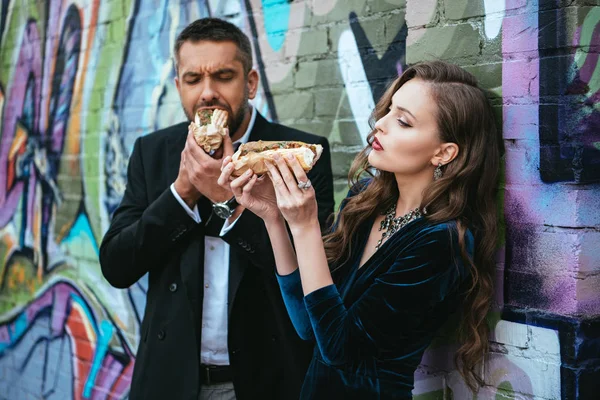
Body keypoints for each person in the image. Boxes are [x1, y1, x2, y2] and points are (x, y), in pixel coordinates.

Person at [219, 60, 501, 399]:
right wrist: (273, 218)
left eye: (402, 121)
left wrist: (306, 225)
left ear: (443, 152)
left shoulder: (441, 242)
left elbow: (341, 351)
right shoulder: (365, 203)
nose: (379, 124)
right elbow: (308, 327)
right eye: (388, 111)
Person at [99, 18, 334, 400]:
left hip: (265, 379)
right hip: (170, 380)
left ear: (251, 82)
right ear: (179, 87)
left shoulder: (299, 155)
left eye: (224, 76)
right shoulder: (152, 152)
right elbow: (117, 265)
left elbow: (313, 277)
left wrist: (228, 202)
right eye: (193, 80)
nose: (207, 93)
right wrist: (182, 192)